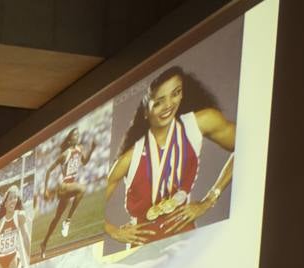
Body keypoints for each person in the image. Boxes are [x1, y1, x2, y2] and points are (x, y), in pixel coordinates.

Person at [103, 66, 235, 247]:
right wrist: (115, 232)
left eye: (176, 93)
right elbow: (88, 210)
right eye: (158, 102)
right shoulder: (130, 157)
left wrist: (210, 199)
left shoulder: (198, 124)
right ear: (146, 111)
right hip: (142, 252)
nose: (169, 105)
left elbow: (246, 141)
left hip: (185, 243)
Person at [38, 127, 97, 257]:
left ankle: (44, 243)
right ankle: (68, 221)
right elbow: (48, 170)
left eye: (78, 134)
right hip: (63, 186)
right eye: (74, 135)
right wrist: (45, 190)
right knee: (82, 189)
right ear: (69, 140)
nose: (77, 136)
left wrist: (92, 149)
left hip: (70, 187)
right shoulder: (66, 154)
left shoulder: (80, 149)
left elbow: (85, 162)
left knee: (56, 218)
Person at [0, 184, 30, 268]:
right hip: (0, 259)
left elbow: (26, 238)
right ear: (5, 204)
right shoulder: (0, 224)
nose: (13, 201)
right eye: (10, 198)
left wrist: (30, 257)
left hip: (13, 256)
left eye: (15, 198)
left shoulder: (19, 216)